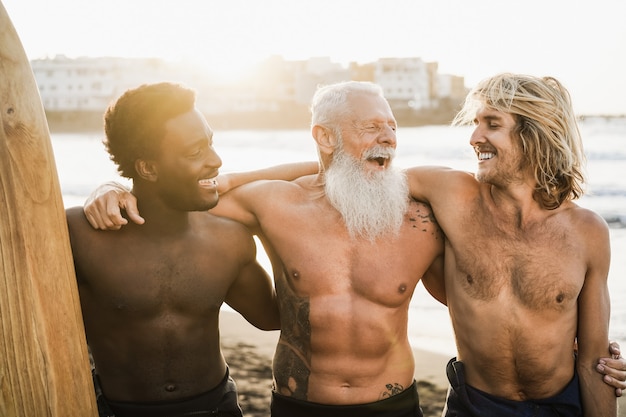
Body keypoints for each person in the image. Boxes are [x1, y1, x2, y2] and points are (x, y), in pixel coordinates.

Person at [83, 80, 626, 415]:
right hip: (304, 407)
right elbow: (177, 200)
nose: (388, 139)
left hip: (401, 406)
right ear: (325, 137)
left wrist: (588, 357)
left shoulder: (430, 210)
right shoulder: (274, 206)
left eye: (392, 128)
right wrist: (117, 188)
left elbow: (521, 303)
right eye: (372, 128)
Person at [66, 82, 283, 417]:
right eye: (194, 152)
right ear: (148, 168)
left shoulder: (231, 239)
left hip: (217, 409)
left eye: (210, 143)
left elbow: (272, 317)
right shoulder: (80, 236)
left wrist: (272, 227)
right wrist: (106, 187)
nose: (216, 160)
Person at [404, 73, 616, 416]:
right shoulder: (451, 197)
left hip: (561, 406)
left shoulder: (586, 231)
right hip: (473, 406)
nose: (475, 137)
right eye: (475, 123)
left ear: (534, 135)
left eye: (492, 124)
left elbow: (595, 363)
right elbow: (367, 177)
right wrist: (285, 188)